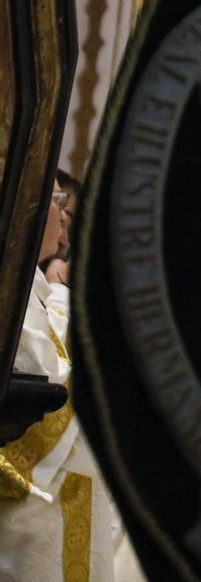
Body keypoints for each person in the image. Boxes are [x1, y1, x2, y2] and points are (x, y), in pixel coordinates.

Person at [1, 184, 123, 581]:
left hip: (64, 507)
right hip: (28, 526)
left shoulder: (32, 287)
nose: (64, 213)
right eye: (57, 200)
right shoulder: (10, 291)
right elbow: (46, 400)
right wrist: (67, 297)